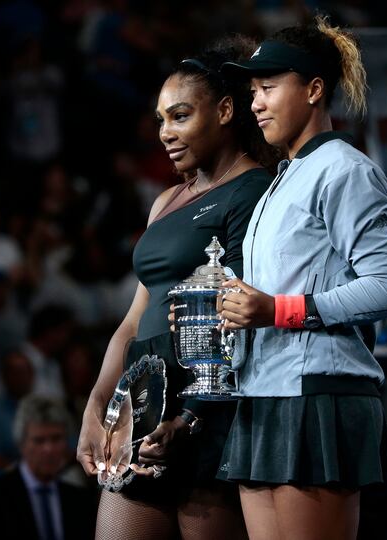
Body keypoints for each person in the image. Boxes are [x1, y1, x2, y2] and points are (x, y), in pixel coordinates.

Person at [215, 15, 387, 540]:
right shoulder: (282, 177)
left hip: (319, 396)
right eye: (253, 90)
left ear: (314, 90)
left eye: (269, 87)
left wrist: (278, 310)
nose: (255, 103)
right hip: (263, 393)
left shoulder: (346, 169)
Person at [76, 38, 274, 540]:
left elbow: (239, 314)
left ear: (226, 110)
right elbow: (132, 319)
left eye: (181, 116)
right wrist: (98, 404)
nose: (166, 133)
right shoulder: (165, 201)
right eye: (162, 119)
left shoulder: (255, 192)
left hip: (209, 404)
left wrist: (192, 417)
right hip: (144, 395)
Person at [0, 395, 97, 540]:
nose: (49, 449)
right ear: (21, 444)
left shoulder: (80, 501)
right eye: (39, 440)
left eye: (56, 438)